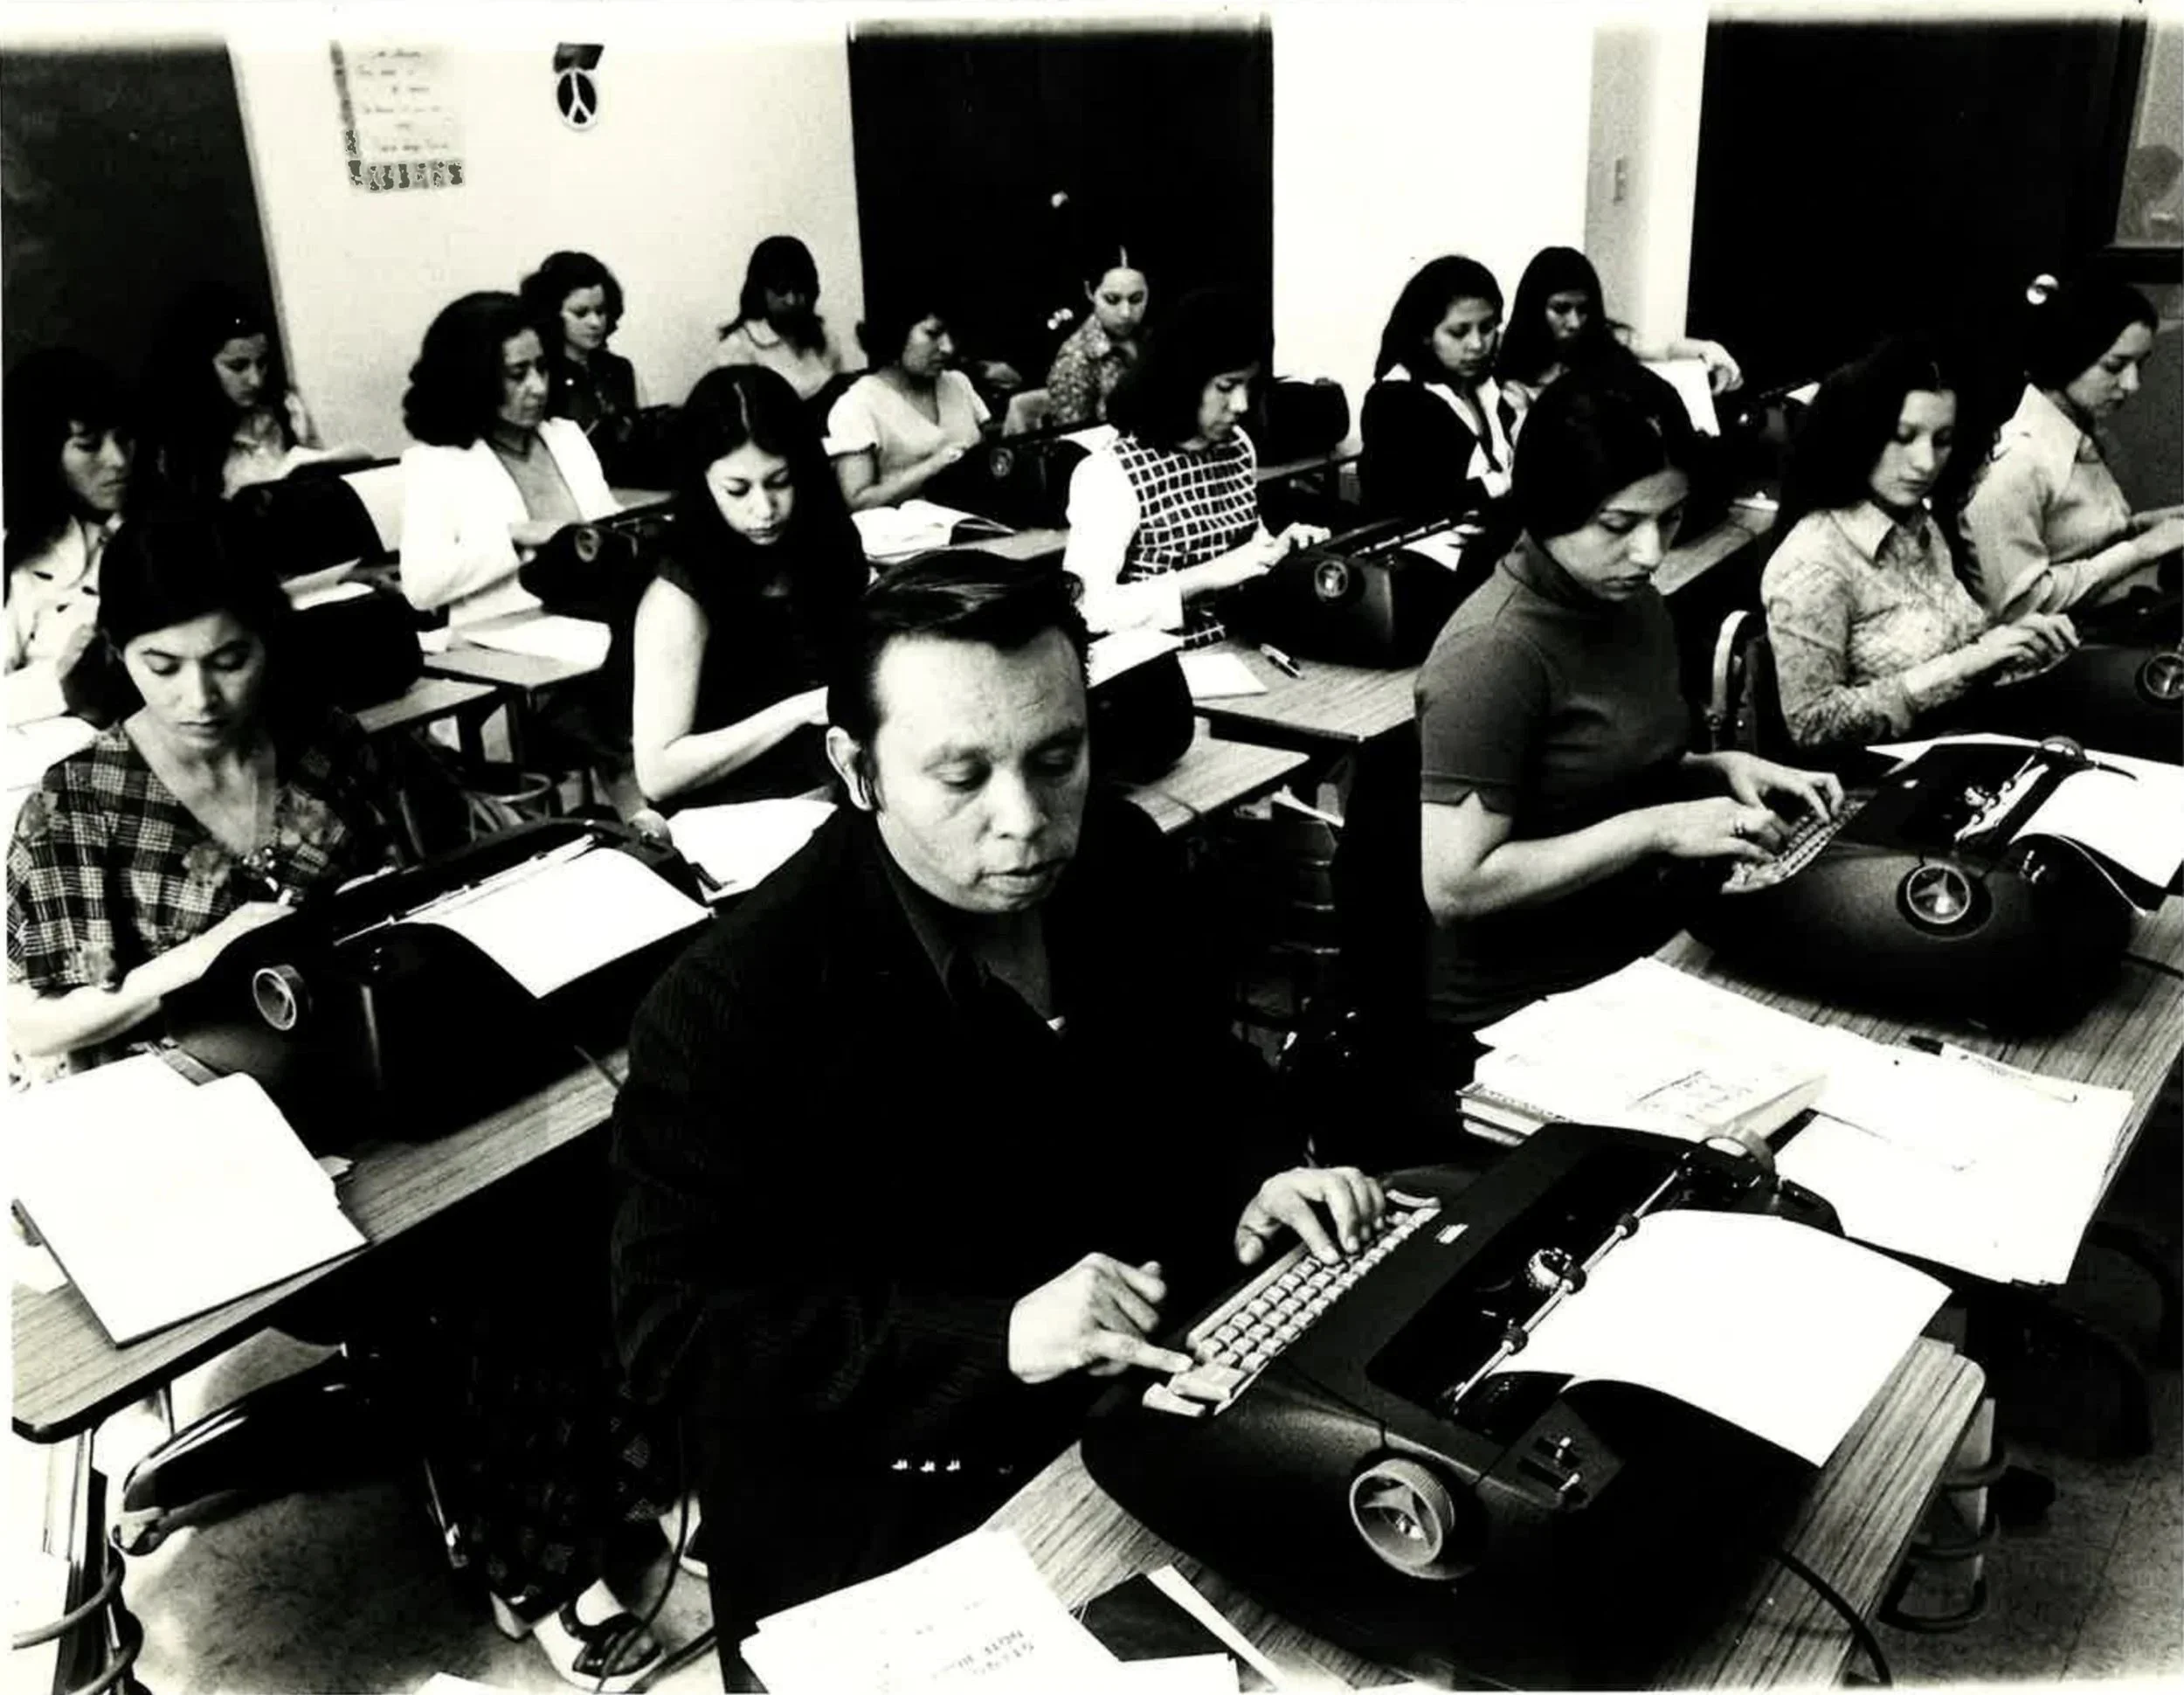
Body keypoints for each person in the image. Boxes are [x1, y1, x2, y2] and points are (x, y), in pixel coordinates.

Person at [609, 551, 1381, 1678]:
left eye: (1057, 757)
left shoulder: (1118, 858)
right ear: (856, 768)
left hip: (1145, 1418)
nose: (1026, 823)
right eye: (960, 776)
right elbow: (674, 1336)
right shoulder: (732, 1001)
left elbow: (1204, 1078)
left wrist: (1260, 1172)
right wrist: (998, 1336)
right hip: (893, 1515)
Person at [1415, 366, 1840, 1076]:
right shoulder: (1493, 652)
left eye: (1669, 519)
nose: (1651, 553)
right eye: (1620, 524)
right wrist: (1661, 828)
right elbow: (1458, 887)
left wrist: (1715, 769)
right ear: (1550, 504)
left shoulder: (1630, 602)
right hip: (1520, 1020)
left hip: (1636, 953)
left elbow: (1592, 775)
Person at [6, 503, 397, 1076]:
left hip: (354, 1050)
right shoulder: (75, 804)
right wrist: (208, 955)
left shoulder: (325, 740)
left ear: (267, 637)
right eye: (163, 667)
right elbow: (35, 1028)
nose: (201, 698)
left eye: (230, 661)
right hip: (186, 1099)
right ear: (118, 650)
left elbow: (402, 883)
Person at [1762, 336, 2083, 758]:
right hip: (1874, 779)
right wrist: (1967, 664)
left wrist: (2010, 643)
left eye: (1942, 440)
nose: (1925, 462)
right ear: (1859, 432)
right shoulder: (1816, 560)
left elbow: (1951, 647)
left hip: (1961, 740)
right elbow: (1811, 723)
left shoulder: (1919, 522)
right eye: (1902, 436)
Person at [630, 366, 866, 808]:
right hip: (732, 815)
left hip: (833, 788)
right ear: (703, 483)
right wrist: (800, 711)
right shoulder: (679, 592)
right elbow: (658, 774)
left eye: (780, 482)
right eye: (737, 490)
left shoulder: (828, 544)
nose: (765, 509)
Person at [1061, 288, 1326, 640]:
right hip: (1161, 664)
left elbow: (1246, 549)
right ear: (1182, 381)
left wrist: (1278, 550)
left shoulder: (1237, 446)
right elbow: (1086, 610)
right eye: (1226, 386)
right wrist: (1207, 575)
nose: (1242, 404)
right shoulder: (1109, 475)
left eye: (1248, 386)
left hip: (1241, 643)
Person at [1960, 275, 2184, 621]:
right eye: (2114, 366)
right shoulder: (2018, 462)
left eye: (2139, 365)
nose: (2132, 385)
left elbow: (2078, 542)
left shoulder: (2081, 436)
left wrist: (2152, 526)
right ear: (2069, 354)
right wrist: (2141, 549)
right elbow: (2017, 605)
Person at [397, 290, 624, 626]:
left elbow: (605, 526)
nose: (538, 387)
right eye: (518, 374)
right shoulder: (435, 464)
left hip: (595, 619)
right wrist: (515, 538)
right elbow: (421, 587)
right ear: (473, 379)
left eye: (542, 368)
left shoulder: (566, 437)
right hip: (507, 639)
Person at [4, 349, 136, 723]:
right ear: (43, 454)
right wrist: (63, 678)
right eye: (89, 444)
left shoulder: (157, 527)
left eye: (124, 438)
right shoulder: (17, 557)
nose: (119, 460)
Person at [141, 283, 363, 502]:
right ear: (203, 369)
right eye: (238, 367)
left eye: (262, 364)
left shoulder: (286, 409)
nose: (256, 380)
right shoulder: (177, 439)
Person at [1358, 255, 1522, 522]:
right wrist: (1504, 483)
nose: (1477, 344)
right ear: (1425, 334)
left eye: (1488, 328)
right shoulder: (1394, 401)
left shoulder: (1490, 386)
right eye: (1459, 332)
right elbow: (1407, 503)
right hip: (1424, 554)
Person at [1496, 246, 1742, 406]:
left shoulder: (1603, 339)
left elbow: (1665, 348)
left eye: (1583, 310)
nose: (1574, 323)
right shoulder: (1511, 366)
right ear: (1535, 308)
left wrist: (1712, 353)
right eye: (1561, 310)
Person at [827, 289, 993, 511]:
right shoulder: (858, 405)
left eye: (951, 336)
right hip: (906, 538)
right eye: (933, 334)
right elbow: (857, 501)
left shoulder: (958, 384)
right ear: (896, 333)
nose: (948, 348)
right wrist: (933, 466)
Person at [519, 250, 640, 450]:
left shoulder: (620, 369)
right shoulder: (542, 374)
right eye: (580, 313)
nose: (595, 323)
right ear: (552, 314)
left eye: (600, 311)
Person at [715, 235, 848, 406]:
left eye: (800, 291)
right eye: (782, 290)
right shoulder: (738, 348)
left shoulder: (824, 337)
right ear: (761, 290)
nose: (792, 300)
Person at [1043, 240, 1149, 428]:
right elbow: (1076, 444)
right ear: (1090, 292)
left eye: (1136, 299)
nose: (1126, 312)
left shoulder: (1155, 338)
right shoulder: (1075, 360)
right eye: (1112, 300)